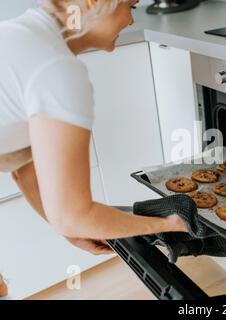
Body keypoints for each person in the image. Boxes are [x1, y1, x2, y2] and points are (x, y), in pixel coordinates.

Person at [0, 0, 187, 256]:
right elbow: (74, 215)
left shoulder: (22, 36)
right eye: (131, 6)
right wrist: (171, 225)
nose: (132, 20)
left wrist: (71, 229)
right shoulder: (56, 69)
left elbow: (25, 169)